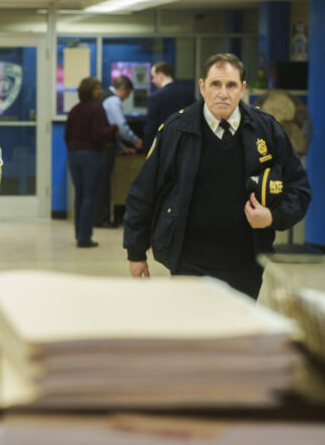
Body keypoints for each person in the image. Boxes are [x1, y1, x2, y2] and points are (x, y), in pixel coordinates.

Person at [123, 53, 310, 299]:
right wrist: (136, 252)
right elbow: (143, 192)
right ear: (202, 87)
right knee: (191, 334)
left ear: (242, 89)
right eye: (215, 84)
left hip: (245, 262)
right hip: (188, 261)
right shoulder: (175, 131)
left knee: (237, 335)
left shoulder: (267, 130)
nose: (223, 93)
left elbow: (299, 188)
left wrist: (272, 217)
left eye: (231, 85)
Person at [64, 77, 117, 248]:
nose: (100, 91)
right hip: (92, 156)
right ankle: (85, 237)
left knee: (79, 195)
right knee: (89, 196)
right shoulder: (97, 110)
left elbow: (67, 136)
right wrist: (113, 129)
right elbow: (97, 135)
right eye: (97, 89)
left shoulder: (74, 110)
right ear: (89, 91)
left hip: (73, 155)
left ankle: (79, 233)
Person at [94, 75, 142, 228]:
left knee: (102, 182)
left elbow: (112, 128)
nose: (125, 99)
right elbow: (120, 126)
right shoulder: (113, 100)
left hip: (101, 145)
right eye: (126, 95)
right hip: (105, 147)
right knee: (104, 183)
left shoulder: (104, 98)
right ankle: (102, 219)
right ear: (122, 89)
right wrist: (135, 140)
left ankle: (101, 217)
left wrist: (121, 147)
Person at [144, 61, 196, 149]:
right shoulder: (189, 94)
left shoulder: (154, 98)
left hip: (163, 147)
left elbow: (152, 128)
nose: (152, 81)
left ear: (160, 75)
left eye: (153, 76)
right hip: (186, 146)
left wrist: (147, 149)